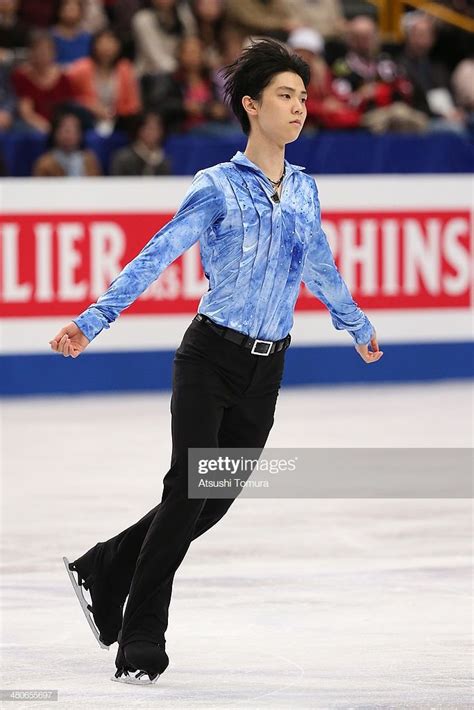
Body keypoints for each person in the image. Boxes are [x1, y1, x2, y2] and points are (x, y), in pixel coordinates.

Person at [50, 38, 383, 685]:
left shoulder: (306, 191)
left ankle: (105, 568)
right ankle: (141, 638)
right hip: (208, 359)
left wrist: (356, 323)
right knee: (186, 493)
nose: (300, 107)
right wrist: (92, 320)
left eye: (304, 96)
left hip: (267, 371)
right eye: (286, 95)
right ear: (252, 106)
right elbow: (156, 255)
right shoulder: (218, 188)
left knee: (215, 498)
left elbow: (319, 267)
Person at [67, 28, 141, 130]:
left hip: (119, 122)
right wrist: (90, 106)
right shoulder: (80, 69)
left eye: (111, 42)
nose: (106, 47)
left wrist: (116, 115)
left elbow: (133, 105)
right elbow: (70, 98)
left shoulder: (126, 69)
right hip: (88, 121)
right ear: (94, 45)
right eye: (102, 42)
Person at [12, 30, 76, 133]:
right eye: (38, 50)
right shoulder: (21, 76)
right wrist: (45, 127)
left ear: (54, 53)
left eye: (47, 50)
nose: (42, 54)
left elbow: (68, 110)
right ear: (30, 52)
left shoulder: (63, 78)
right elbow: (25, 111)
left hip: (59, 127)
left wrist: (58, 129)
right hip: (31, 126)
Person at [32, 110, 101, 176]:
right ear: (55, 133)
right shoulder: (45, 163)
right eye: (65, 130)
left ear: (80, 134)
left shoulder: (90, 160)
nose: (69, 135)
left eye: (74, 130)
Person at [110, 111, 171, 176]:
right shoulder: (123, 158)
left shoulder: (164, 160)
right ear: (139, 130)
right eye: (149, 128)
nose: (152, 133)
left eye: (156, 129)